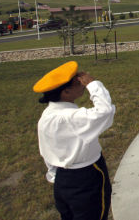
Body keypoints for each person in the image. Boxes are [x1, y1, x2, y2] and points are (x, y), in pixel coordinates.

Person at [34, 61, 116, 220]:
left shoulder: (46, 117)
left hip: (62, 179)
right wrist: (93, 85)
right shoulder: (69, 118)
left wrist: (55, 177)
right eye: (78, 82)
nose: (82, 83)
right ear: (66, 92)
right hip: (87, 177)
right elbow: (105, 111)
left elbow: (46, 151)